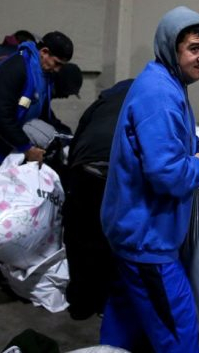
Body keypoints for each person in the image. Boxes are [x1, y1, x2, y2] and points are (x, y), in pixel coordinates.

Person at [99, 6, 199, 352]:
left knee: (125, 321)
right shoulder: (161, 95)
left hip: (131, 231)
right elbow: (166, 174)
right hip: (148, 240)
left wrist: (198, 151)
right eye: (194, 48)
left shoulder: (167, 84)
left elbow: (178, 142)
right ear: (171, 47)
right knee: (179, 333)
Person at [0, 30, 75, 188]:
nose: (57, 70)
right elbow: (1, 117)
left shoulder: (43, 76)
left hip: (5, 144)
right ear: (44, 52)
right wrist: (27, 149)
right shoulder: (16, 67)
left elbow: (42, 112)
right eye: (56, 63)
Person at [62, 78, 133, 320]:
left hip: (85, 170)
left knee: (79, 237)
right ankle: (104, 304)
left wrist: (71, 177)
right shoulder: (147, 103)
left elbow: (79, 136)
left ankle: (80, 303)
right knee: (109, 240)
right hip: (116, 176)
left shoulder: (102, 102)